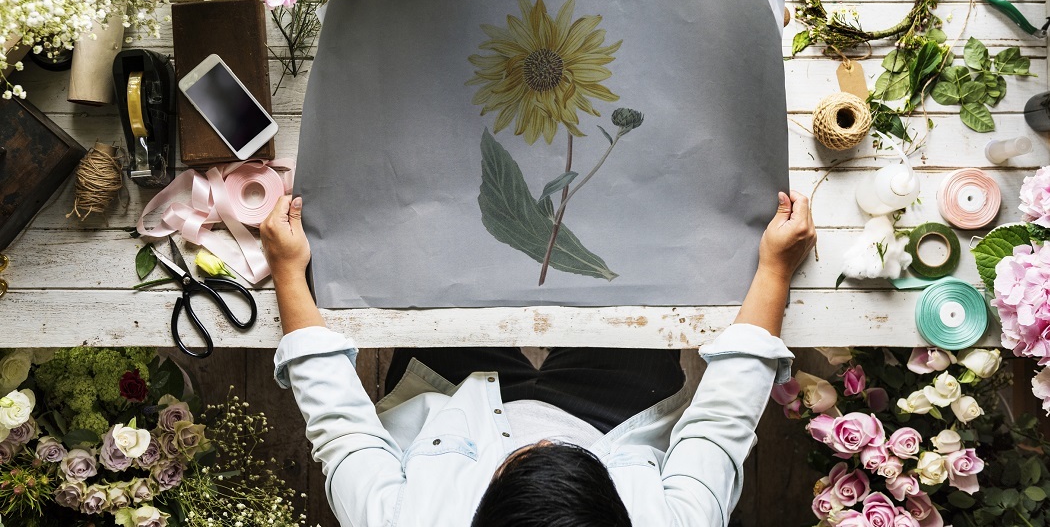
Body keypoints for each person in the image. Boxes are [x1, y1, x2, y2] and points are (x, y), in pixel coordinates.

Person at [261, 189, 816, 527]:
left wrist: (287, 272)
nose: (539, 436)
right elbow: (720, 425)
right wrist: (773, 271)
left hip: (454, 403)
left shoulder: (401, 520)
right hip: (614, 416)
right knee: (633, 247)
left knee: (442, 241)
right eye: (563, 453)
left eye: (520, 457)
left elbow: (344, 431)